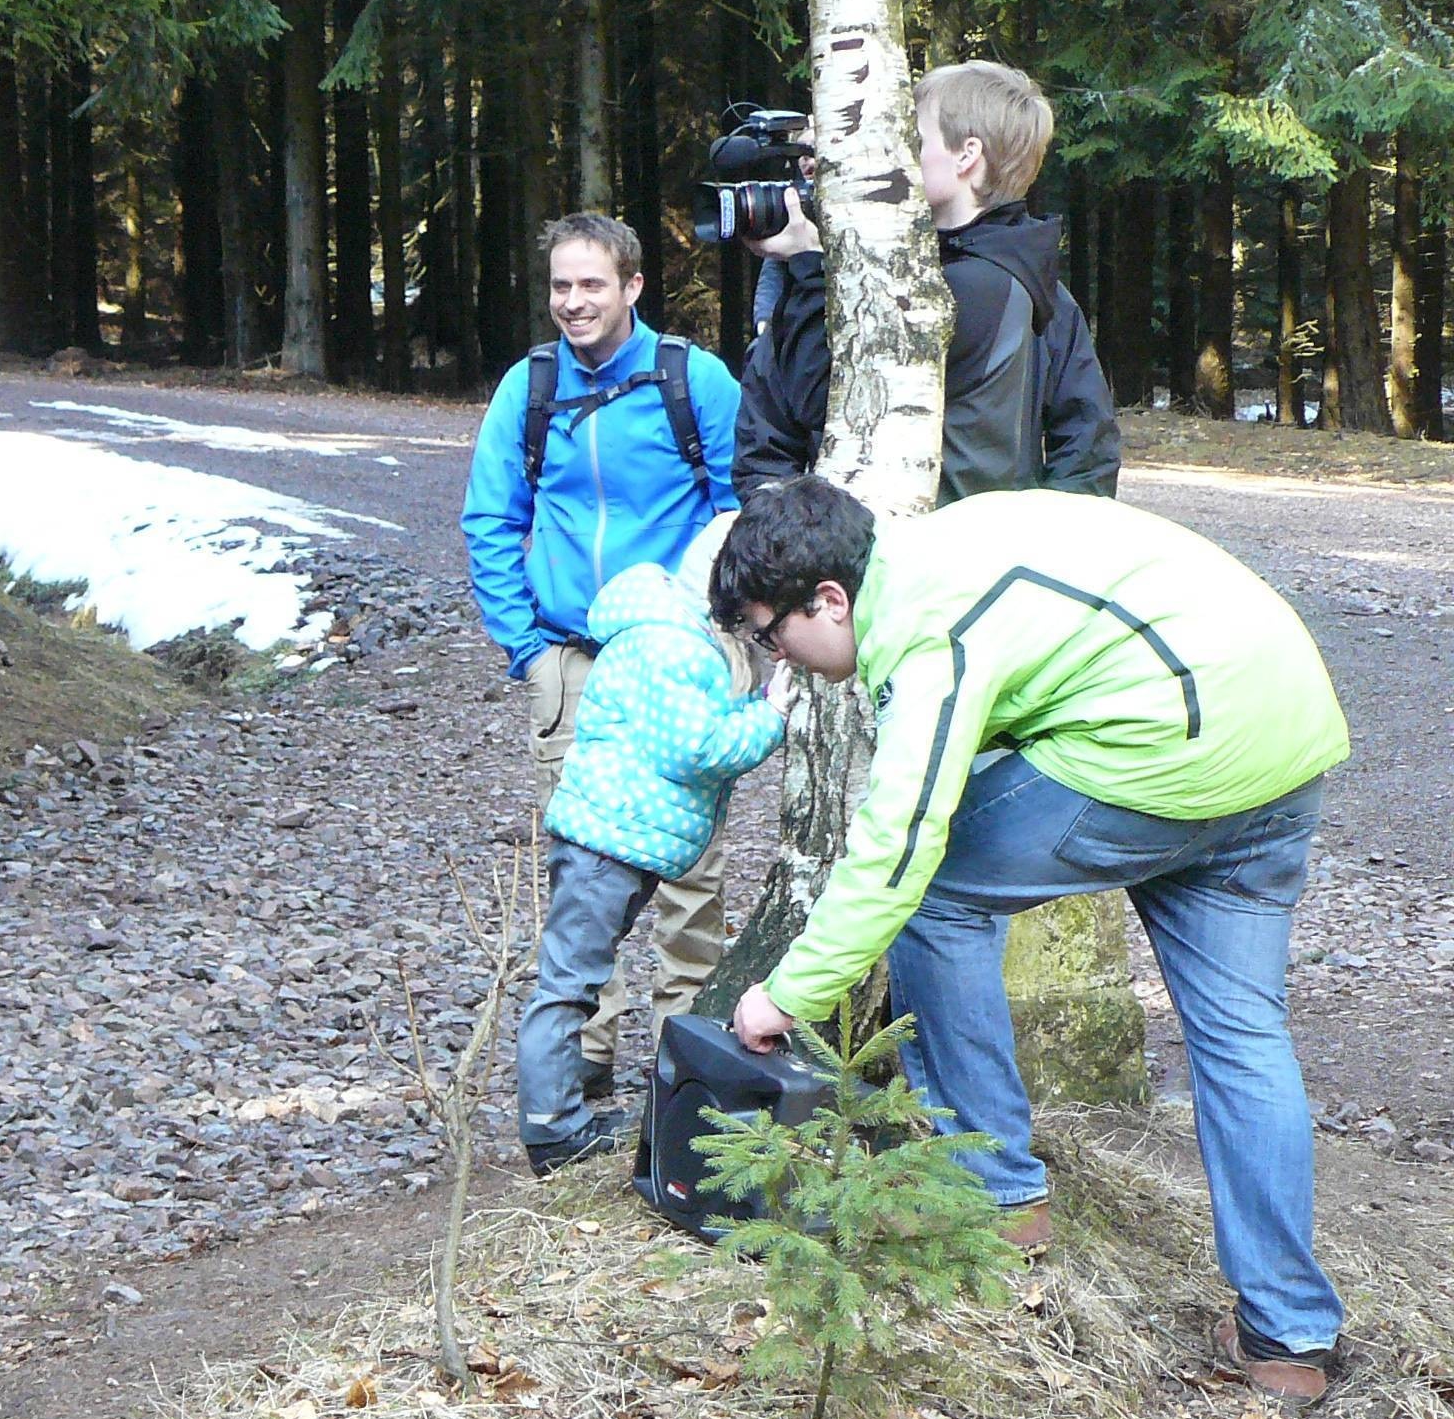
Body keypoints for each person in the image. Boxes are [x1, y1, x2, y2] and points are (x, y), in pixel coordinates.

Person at [714, 475, 1352, 1403]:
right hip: (1281, 732)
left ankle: (993, 1194)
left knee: (932, 891)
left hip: (1172, 739)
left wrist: (787, 994)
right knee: (1242, 1036)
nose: (781, 660)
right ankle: (1288, 1336)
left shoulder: (928, 630)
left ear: (831, 600)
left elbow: (900, 844)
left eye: (772, 635)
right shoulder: (947, 542)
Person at [459, 211, 744, 1098]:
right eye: (560, 286)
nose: (574, 302)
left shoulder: (693, 379)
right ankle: (584, 1057)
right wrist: (527, 649)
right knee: (581, 861)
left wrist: (718, 630)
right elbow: (490, 518)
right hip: (571, 660)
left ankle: (684, 1051)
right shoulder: (531, 385)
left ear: (632, 286)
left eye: (592, 284)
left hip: (682, 653)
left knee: (688, 862)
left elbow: (739, 511)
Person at [734, 61, 1120, 502]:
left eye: (913, 138)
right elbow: (1089, 453)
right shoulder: (1035, 282)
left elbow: (833, 404)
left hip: (919, 542)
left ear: (967, 155)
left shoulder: (977, 287)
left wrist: (808, 265)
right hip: (957, 542)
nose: (896, 153)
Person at [519, 558, 787, 1173]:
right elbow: (698, 748)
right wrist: (771, 713)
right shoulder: (674, 644)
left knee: (576, 977)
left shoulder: (666, 632)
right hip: (604, 841)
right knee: (567, 984)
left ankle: (560, 1113)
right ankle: (552, 1129)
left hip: (613, 837)